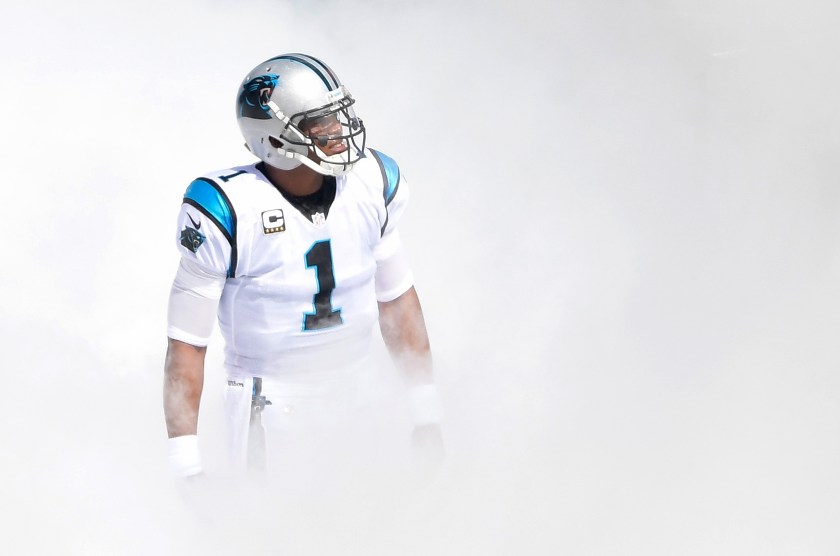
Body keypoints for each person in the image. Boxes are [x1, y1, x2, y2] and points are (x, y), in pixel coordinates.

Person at [163, 53, 443, 482]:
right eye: (319, 123)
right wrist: (184, 463)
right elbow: (187, 342)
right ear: (273, 137)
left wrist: (425, 409)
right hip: (271, 404)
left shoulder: (371, 182)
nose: (337, 131)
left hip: (358, 390)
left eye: (337, 116)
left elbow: (397, 301)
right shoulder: (227, 207)